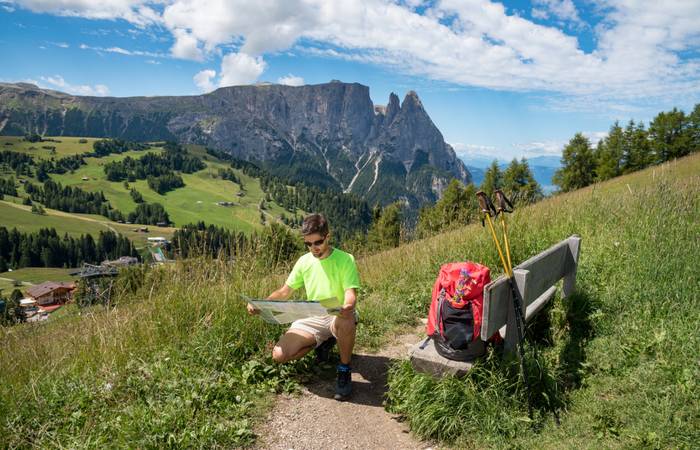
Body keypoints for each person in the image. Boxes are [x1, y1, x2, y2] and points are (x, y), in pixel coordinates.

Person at [247, 213, 360, 401]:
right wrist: (261, 304)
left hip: (337, 314)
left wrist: (348, 306)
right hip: (312, 316)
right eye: (308, 244)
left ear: (328, 237)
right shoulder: (304, 261)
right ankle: (322, 343)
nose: (313, 248)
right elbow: (284, 292)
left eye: (318, 242)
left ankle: (344, 369)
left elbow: (350, 293)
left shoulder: (345, 259)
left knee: (347, 317)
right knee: (279, 355)